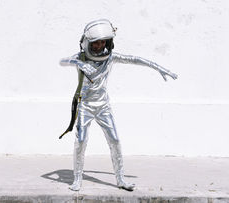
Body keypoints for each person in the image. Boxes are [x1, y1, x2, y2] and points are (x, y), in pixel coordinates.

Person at [59, 19, 177, 191]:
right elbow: (62, 61)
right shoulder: (81, 57)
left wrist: (159, 68)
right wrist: (80, 63)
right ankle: (77, 179)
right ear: (87, 43)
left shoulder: (110, 57)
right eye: (96, 42)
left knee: (114, 140)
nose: (99, 45)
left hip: (103, 107)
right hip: (85, 106)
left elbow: (135, 59)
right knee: (81, 141)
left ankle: (120, 179)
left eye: (103, 42)